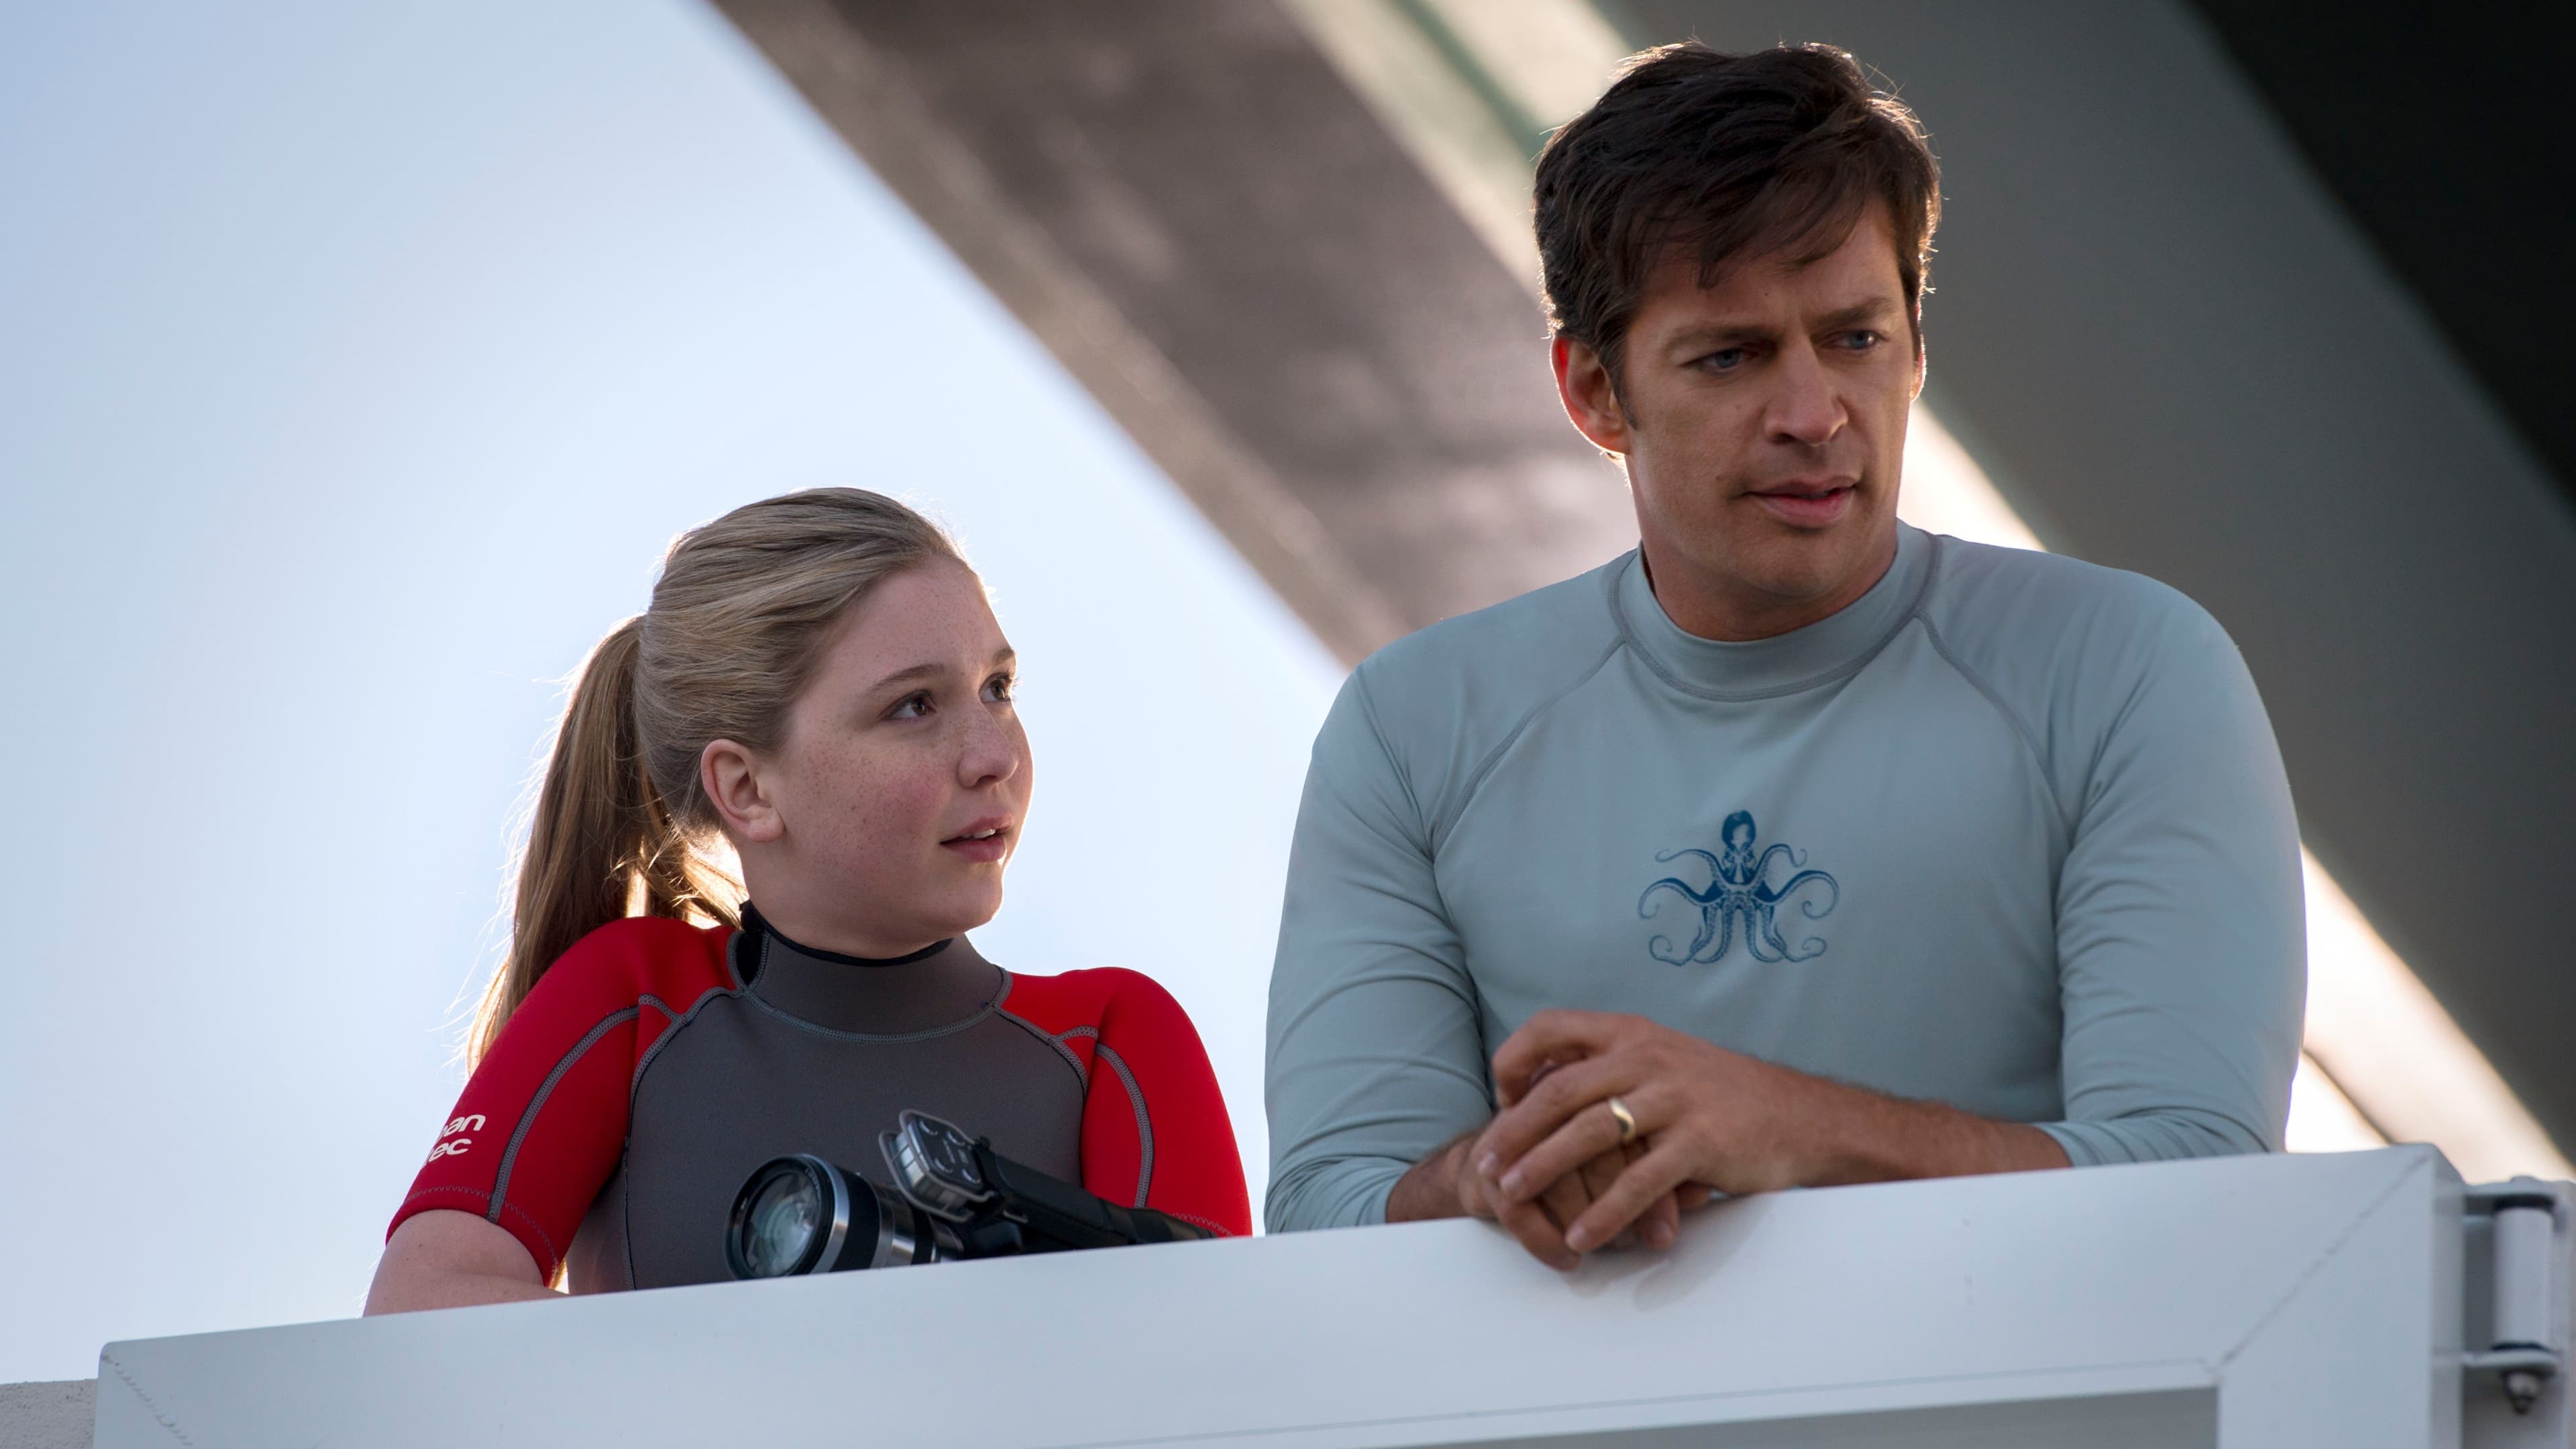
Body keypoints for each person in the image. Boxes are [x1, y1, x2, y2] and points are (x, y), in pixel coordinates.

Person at [1263, 42, 2304, 1268]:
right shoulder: (1413, 727)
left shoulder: (2125, 666)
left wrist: (1788, 1127)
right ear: (1596, 392)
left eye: (1856, 339)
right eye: (1732, 355)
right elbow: (1327, 1213)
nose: (1814, 416)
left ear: (1917, 348)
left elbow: (2203, 1177)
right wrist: (1499, 1173)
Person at [367, 489, 1249, 1311]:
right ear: (748, 789)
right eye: (914, 706)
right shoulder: (633, 997)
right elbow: (421, 1305)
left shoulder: (1113, 1037)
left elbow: (1220, 1367)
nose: (996, 755)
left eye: (998, 689)